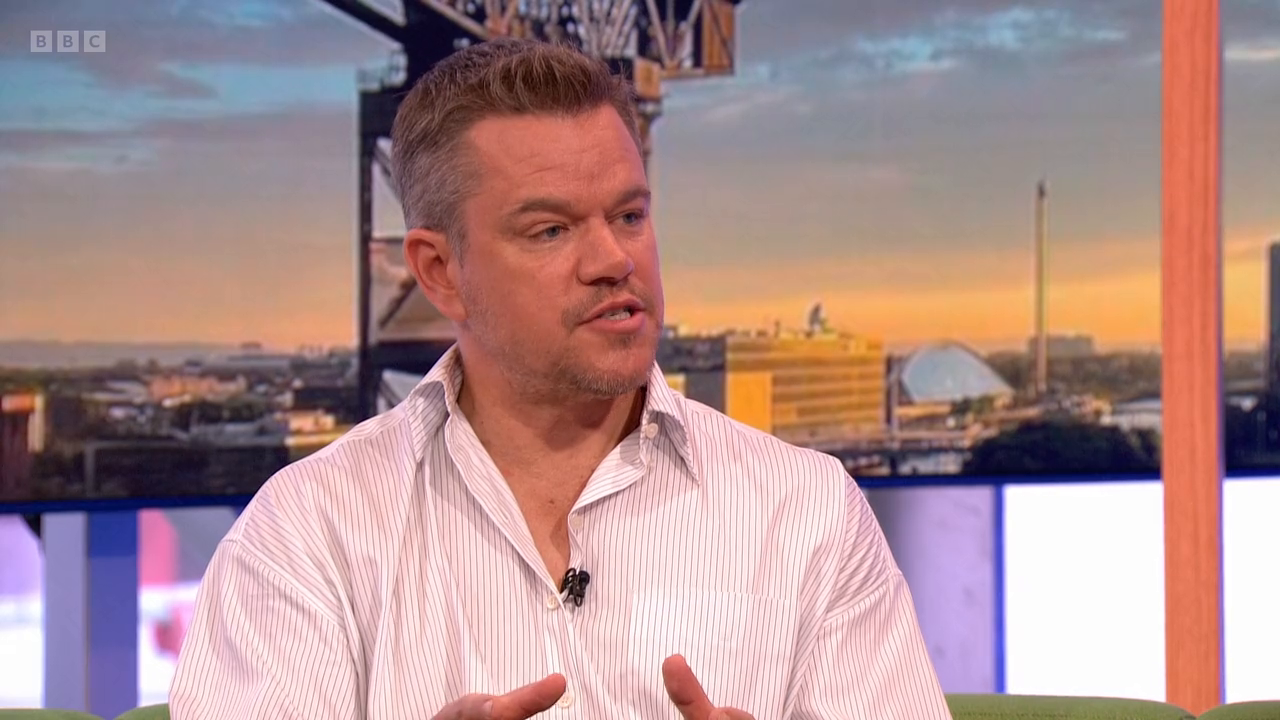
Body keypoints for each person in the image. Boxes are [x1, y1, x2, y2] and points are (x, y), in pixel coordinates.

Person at [169, 37, 951, 720]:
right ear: (439, 272)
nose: (613, 259)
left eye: (630, 216)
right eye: (550, 229)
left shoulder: (807, 513)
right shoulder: (308, 535)